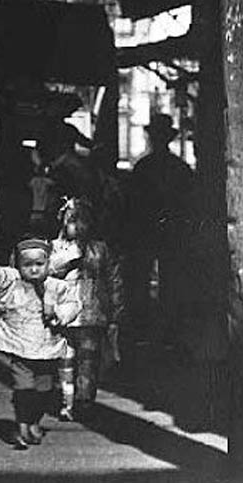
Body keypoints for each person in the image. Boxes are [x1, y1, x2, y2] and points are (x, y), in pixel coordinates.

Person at [0, 236, 80, 449]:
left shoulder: (57, 286)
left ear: (48, 264)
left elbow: (73, 305)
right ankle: (22, 425)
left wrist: (57, 313)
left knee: (44, 388)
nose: (33, 270)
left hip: (47, 346)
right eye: (27, 265)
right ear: (18, 265)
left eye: (39, 264)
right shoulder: (12, 280)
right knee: (24, 387)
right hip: (19, 344)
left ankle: (34, 421)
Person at [49, 197, 125, 421]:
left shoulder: (100, 249)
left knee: (88, 360)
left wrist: (115, 310)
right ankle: (66, 400)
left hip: (92, 315)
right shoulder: (55, 247)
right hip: (63, 315)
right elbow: (47, 270)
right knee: (65, 359)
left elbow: (114, 280)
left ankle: (84, 400)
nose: (78, 226)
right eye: (72, 220)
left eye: (83, 221)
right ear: (63, 222)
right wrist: (68, 257)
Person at [131, 113, 195, 342]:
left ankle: (143, 326)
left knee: (142, 278)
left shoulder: (142, 167)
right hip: (170, 231)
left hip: (147, 231)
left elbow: (133, 203)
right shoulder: (180, 168)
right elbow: (188, 202)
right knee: (171, 279)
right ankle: (169, 328)